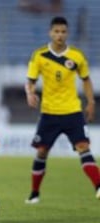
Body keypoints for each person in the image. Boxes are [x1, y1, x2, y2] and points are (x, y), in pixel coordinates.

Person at [24, 16, 100, 204]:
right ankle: (34, 193)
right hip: (49, 112)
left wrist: (90, 102)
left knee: (83, 147)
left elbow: (86, 79)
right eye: (56, 31)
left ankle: (99, 186)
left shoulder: (77, 56)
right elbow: (31, 81)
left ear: (67, 33)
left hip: (72, 111)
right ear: (50, 32)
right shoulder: (39, 55)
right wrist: (30, 93)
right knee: (42, 152)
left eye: (63, 31)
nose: (60, 35)